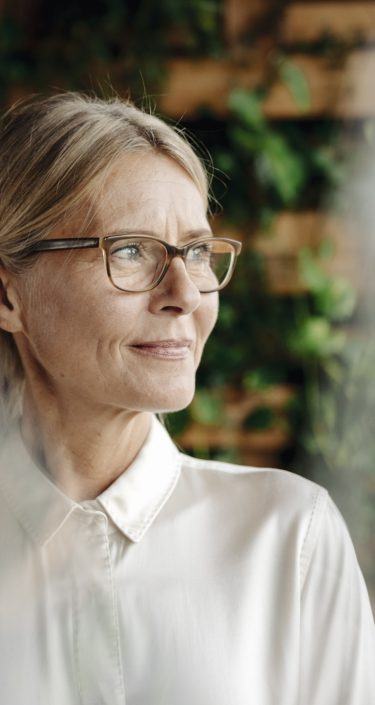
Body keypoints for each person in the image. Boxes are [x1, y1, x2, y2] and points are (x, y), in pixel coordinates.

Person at [0, 92, 373, 705]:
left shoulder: (288, 537)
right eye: (129, 250)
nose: (185, 293)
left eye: (195, 252)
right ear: (9, 295)